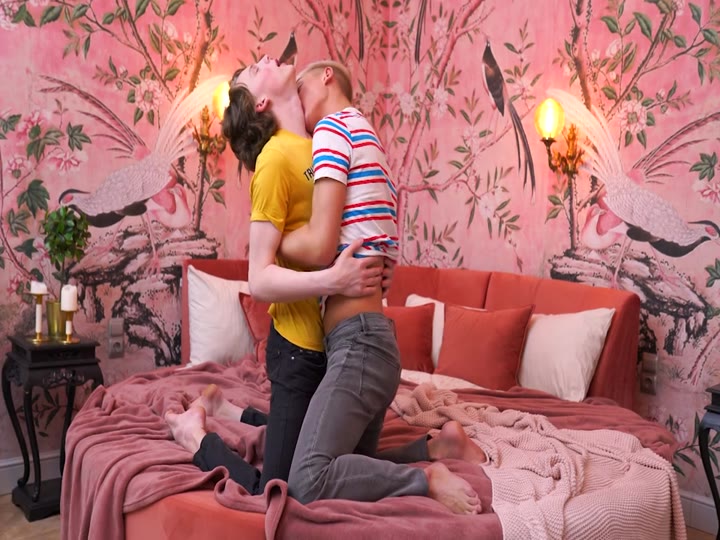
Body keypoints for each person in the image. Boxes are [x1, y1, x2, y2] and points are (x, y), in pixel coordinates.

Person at [166, 56, 384, 496]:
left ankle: (230, 410)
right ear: (261, 102)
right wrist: (335, 281)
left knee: (336, 457)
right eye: (254, 69)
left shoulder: (323, 142)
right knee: (278, 488)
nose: (266, 58)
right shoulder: (274, 160)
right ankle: (196, 435)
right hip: (298, 350)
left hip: (333, 343)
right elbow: (260, 280)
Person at [280, 61, 483, 514]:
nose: (296, 98)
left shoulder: (332, 128)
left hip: (358, 344)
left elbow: (321, 245)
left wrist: (272, 239)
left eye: (300, 86)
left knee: (308, 480)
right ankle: (436, 448)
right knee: (354, 467)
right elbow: (378, 245)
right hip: (373, 344)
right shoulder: (369, 139)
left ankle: (425, 477)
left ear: (327, 76)